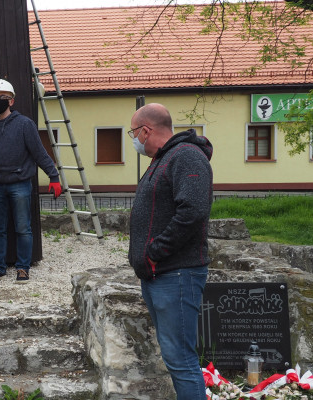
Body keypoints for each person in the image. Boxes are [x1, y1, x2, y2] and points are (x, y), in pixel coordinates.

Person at [128, 103, 213, 400]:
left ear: (146, 130)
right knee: (175, 357)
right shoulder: (165, 158)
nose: (134, 140)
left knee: (182, 360)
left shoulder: (186, 156)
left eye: (133, 133)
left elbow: (193, 211)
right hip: (159, 273)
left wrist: (154, 251)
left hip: (176, 273)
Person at [0, 79, 62, 281]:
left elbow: (39, 153)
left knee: (23, 228)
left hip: (20, 184)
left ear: (12, 101)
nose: (0, 100)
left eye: (4, 98)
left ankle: (23, 267)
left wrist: (54, 176)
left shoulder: (25, 125)